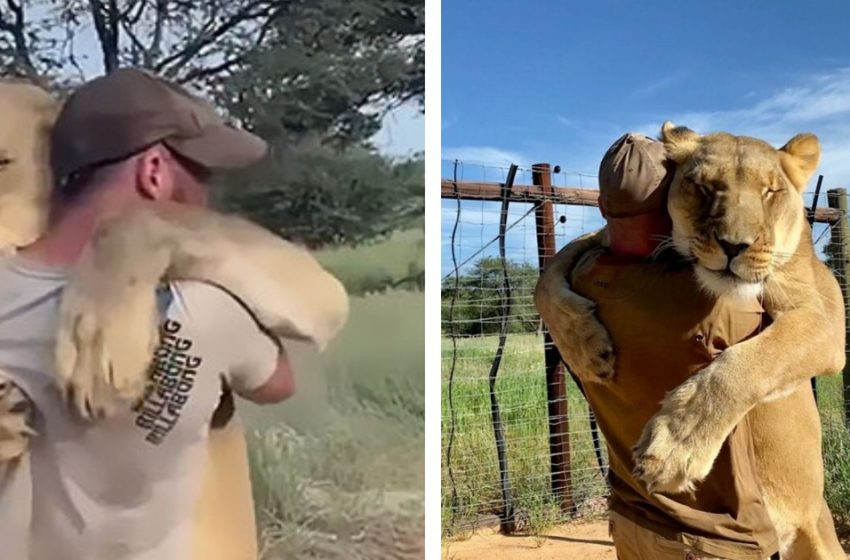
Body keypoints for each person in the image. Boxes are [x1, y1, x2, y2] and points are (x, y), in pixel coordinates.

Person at [0, 68, 295, 559]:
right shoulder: (208, 305)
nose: (208, 194)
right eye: (201, 173)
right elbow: (278, 382)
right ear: (154, 172)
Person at [537, 133, 779, 560]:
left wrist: (550, 280)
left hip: (632, 519)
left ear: (601, 207)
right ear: (676, 202)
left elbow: (591, 249)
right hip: (714, 540)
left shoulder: (575, 288)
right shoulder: (718, 305)